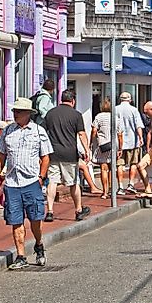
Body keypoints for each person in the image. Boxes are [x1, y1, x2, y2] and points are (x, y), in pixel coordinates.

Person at [0, 98, 52, 269]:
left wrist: (41, 177)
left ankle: (38, 244)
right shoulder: (7, 131)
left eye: (19, 111)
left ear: (28, 113)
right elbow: (1, 153)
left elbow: (46, 157)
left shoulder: (38, 131)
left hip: (31, 181)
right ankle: (21, 255)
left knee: (35, 218)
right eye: (14, 111)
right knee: (15, 220)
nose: (16, 114)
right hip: (13, 183)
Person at [42, 90, 91, 222]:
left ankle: (50, 211)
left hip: (53, 153)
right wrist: (87, 150)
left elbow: (42, 131)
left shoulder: (51, 113)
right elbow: (81, 134)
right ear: (73, 101)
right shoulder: (76, 115)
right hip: (69, 154)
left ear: (61, 99)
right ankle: (78, 210)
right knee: (73, 183)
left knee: (52, 182)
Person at [114, 92, 145, 195]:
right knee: (133, 163)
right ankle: (131, 184)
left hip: (119, 143)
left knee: (120, 164)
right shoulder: (134, 110)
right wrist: (141, 138)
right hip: (132, 140)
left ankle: (120, 186)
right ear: (130, 100)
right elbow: (138, 126)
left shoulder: (115, 109)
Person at [91, 99, 115, 199]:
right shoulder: (114, 117)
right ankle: (111, 190)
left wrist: (91, 142)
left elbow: (94, 130)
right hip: (113, 144)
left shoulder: (99, 117)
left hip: (103, 144)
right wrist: (120, 148)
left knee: (103, 168)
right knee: (111, 168)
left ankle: (105, 191)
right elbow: (120, 133)